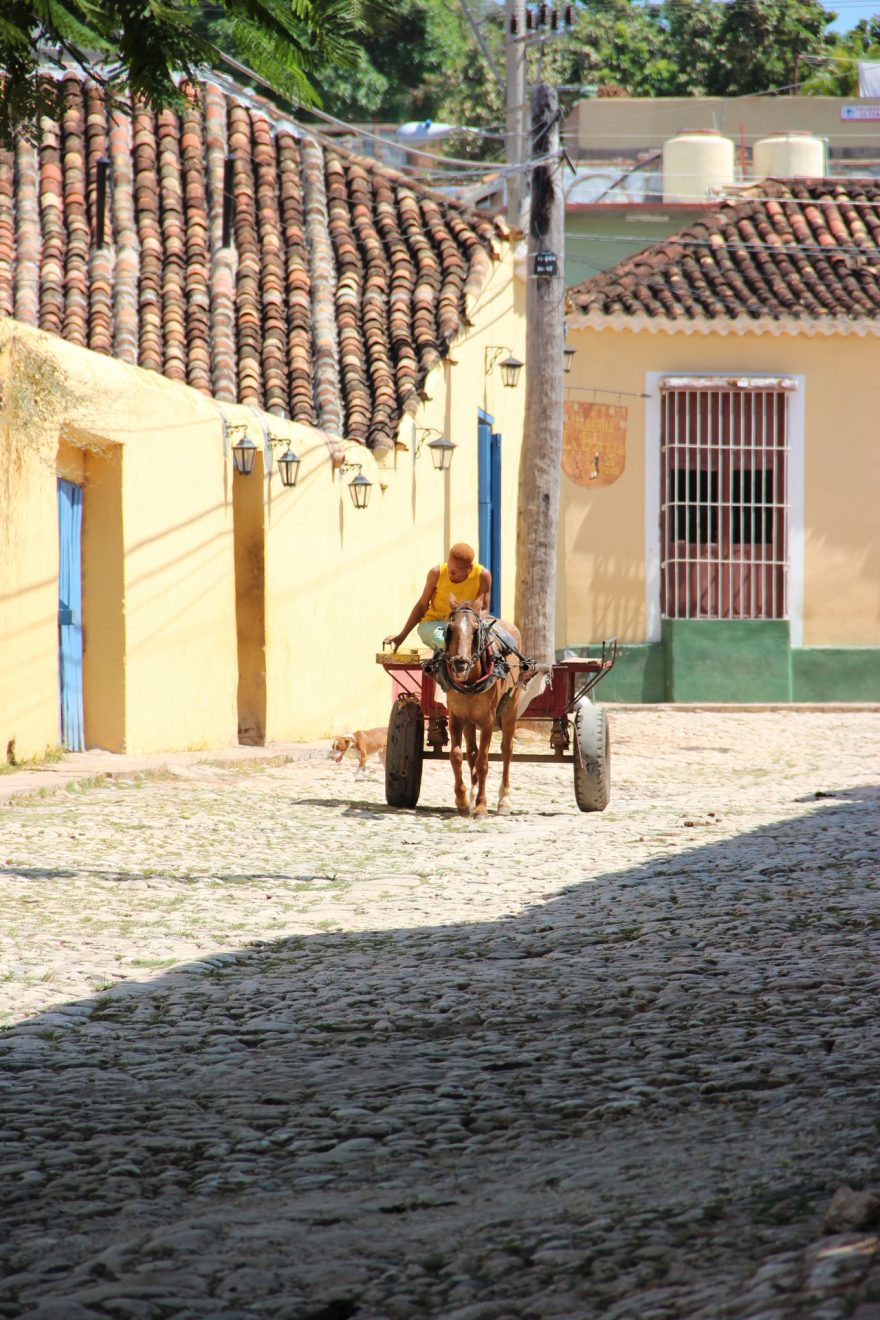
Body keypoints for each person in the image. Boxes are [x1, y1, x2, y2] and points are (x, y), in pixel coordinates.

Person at [383, 542, 519, 656]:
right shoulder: (436, 573)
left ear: (470, 569)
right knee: (452, 644)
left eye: (456, 571)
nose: (450, 572)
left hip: (466, 625)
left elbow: (484, 609)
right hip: (433, 625)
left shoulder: (483, 575)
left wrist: (473, 624)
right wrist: (401, 636)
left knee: (503, 641)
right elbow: (421, 606)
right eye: (449, 567)